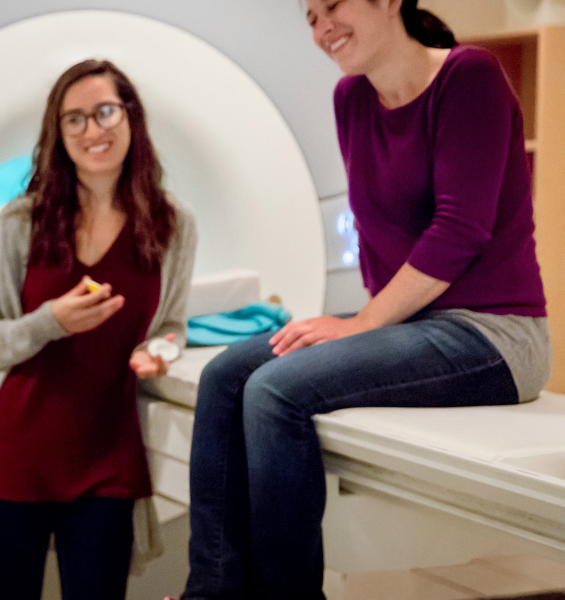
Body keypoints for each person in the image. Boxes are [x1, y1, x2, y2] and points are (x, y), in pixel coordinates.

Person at [180, 2, 550, 599]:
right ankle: (213, 591)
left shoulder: (468, 77)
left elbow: (461, 229)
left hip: (494, 336)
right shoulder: (350, 99)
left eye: (334, 6)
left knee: (276, 390)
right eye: (310, 18)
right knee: (227, 376)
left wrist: (364, 324)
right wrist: (363, 324)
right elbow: (377, 235)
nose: (323, 27)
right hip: (410, 324)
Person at [0, 59, 198, 600]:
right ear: (57, 134)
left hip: (107, 454)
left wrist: (162, 349)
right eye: (75, 120)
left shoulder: (173, 225)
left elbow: (174, 324)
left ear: (130, 117)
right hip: (18, 451)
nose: (93, 130)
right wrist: (49, 323)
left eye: (105, 112)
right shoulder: (21, 223)